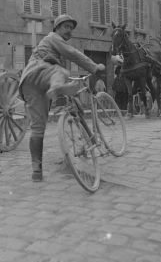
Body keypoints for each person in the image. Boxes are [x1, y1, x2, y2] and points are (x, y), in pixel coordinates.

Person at [19, 14, 105, 182]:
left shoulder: (51, 45)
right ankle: (57, 86)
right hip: (41, 71)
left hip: (29, 82)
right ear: (56, 28)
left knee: (38, 128)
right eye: (66, 27)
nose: (69, 31)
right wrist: (95, 67)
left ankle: (36, 170)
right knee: (61, 72)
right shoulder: (53, 38)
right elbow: (73, 53)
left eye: (71, 28)